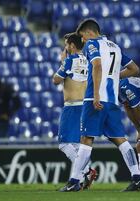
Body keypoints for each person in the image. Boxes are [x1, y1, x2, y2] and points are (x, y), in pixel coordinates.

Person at [59, 19, 140, 192]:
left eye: (82, 36)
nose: (82, 41)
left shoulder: (92, 44)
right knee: (120, 139)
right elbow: (134, 68)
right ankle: (137, 178)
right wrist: (113, 78)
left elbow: (96, 66)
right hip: (112, 100)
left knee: (86, 139)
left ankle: (74, 181)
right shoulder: (115, 47)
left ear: (89, 33)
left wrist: (96, 94)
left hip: (94, 99)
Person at [53, 33, 97, 190]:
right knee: (78, 144)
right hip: (85, 104)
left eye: (66, 44)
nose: (65, 47)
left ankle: (85, 171)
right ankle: (87, 171)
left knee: (64, 144)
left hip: (72, 106)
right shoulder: (88, 59)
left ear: (71, 46)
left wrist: (62, 62)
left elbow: (55, 80)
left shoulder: (69, 60)